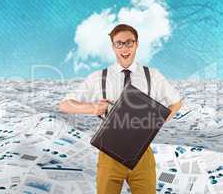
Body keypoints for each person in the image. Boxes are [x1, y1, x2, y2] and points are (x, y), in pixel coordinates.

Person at [58, 24, 182, 194]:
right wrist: (92, 107)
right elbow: (64, 105)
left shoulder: (152, 75)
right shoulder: (98, 77)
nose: (124, 48)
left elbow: (176, 102)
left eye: (129, 42)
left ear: (137, 44)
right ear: (113, 47)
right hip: (109, 153)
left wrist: (157, 122)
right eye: (119, 43)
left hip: (142, 154)